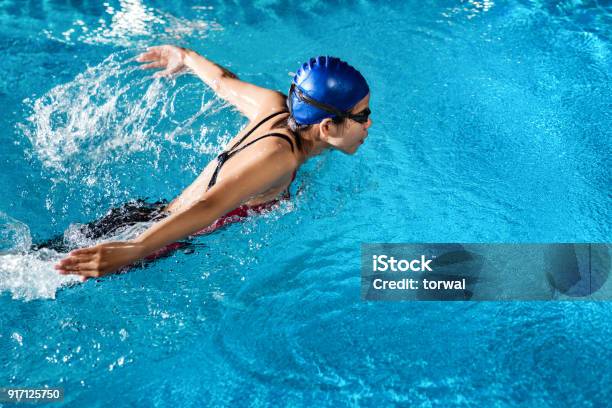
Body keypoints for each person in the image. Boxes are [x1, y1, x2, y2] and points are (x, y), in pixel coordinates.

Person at [54, 45, 372, 280]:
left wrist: (186, 57)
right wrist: (134, 249)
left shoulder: (273, 106)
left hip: (145, 215)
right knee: (35, 275)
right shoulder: (279, 157)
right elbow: (209, 206)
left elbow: (222, 81)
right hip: (149, 237)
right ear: (326, 128)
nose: (369, 124)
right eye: (362, 117)